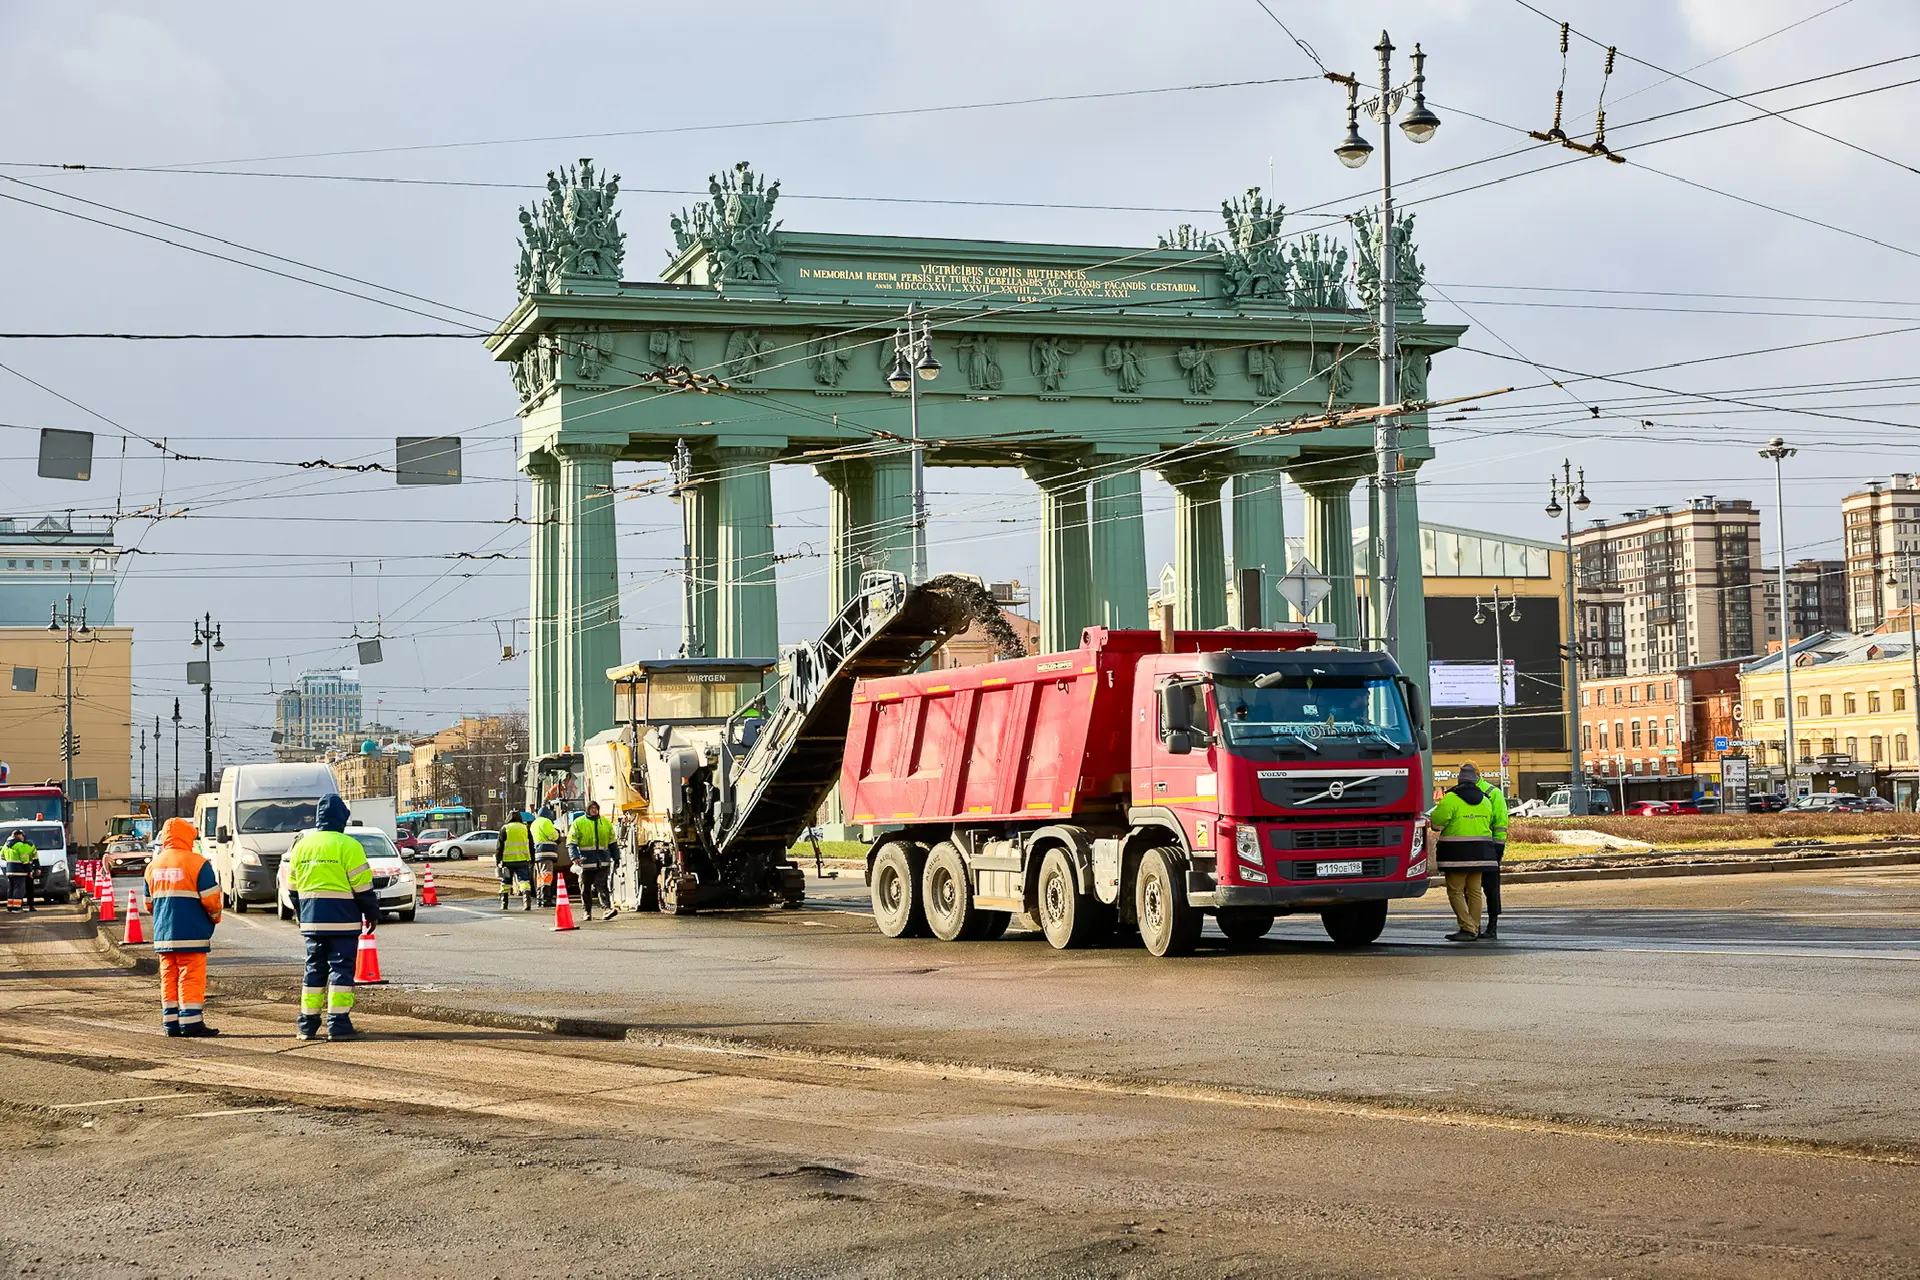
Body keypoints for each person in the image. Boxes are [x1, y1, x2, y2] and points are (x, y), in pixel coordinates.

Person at [286, 795, 380, 1041]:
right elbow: (362, 887)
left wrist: (300, 913)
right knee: (341, 970)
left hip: (312, 921)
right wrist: (372, 914)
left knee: (313, 970)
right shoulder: (349, 846)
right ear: (342, 819)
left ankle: (307, 1026)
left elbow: (292, 887)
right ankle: (338, 1025)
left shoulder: (302, 845)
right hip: (343, 920)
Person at [145, 816, 222, 1037]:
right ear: (188, 837)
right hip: (192, 933)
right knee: (191, 975)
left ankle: (171, 1022)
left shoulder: (153, 866)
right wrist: (215, 918)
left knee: (168, 976)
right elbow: (212, 900)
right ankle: (191, 1022)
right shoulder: (198, 863)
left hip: (164, 935)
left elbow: (149, 904)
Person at [1426, 761, 1508, 942]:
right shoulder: (1487, 799)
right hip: (1483, 853)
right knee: (1475, 891)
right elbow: (1497, 822)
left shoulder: (1451, 798)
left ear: (1459, 780)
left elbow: (1437, 825)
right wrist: (1497, 849)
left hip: (1457, 854)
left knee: (1456, 891)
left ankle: (1467, 927)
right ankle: (1475, 927)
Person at [569, 800, 618, 922]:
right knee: (585, 888)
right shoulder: (578, 823)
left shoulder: (605, 823)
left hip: (602, 861)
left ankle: (606, 909)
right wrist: (574, 857)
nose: (594, 810)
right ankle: (587, 911)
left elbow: (612, 843)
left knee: (602, 885)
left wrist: (616, 857)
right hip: (585, 862)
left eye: (596, 808)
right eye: (592, 808)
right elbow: (571, 843)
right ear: (587, 810)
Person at [498, 811, 534, 911]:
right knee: (524, 881)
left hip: (507, 861)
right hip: (523, 860)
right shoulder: (525, 828)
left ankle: (504, 903)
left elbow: (499, 847)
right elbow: (531, 845)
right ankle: (526, 902)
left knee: (505, 883)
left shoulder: (505, 828)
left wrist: (498, 860)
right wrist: (532, 859)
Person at [5, 829, 36, 913]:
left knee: (11, 889)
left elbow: (2, 856)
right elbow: (25, 860)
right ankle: (16, 908)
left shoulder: (6, 845)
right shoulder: (20, 845)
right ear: (18, 836)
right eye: (22, 835)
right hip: (19, 871)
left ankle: (10, 908)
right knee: (19, 890)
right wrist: (29, 871)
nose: (23, 837)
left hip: (9, 870)